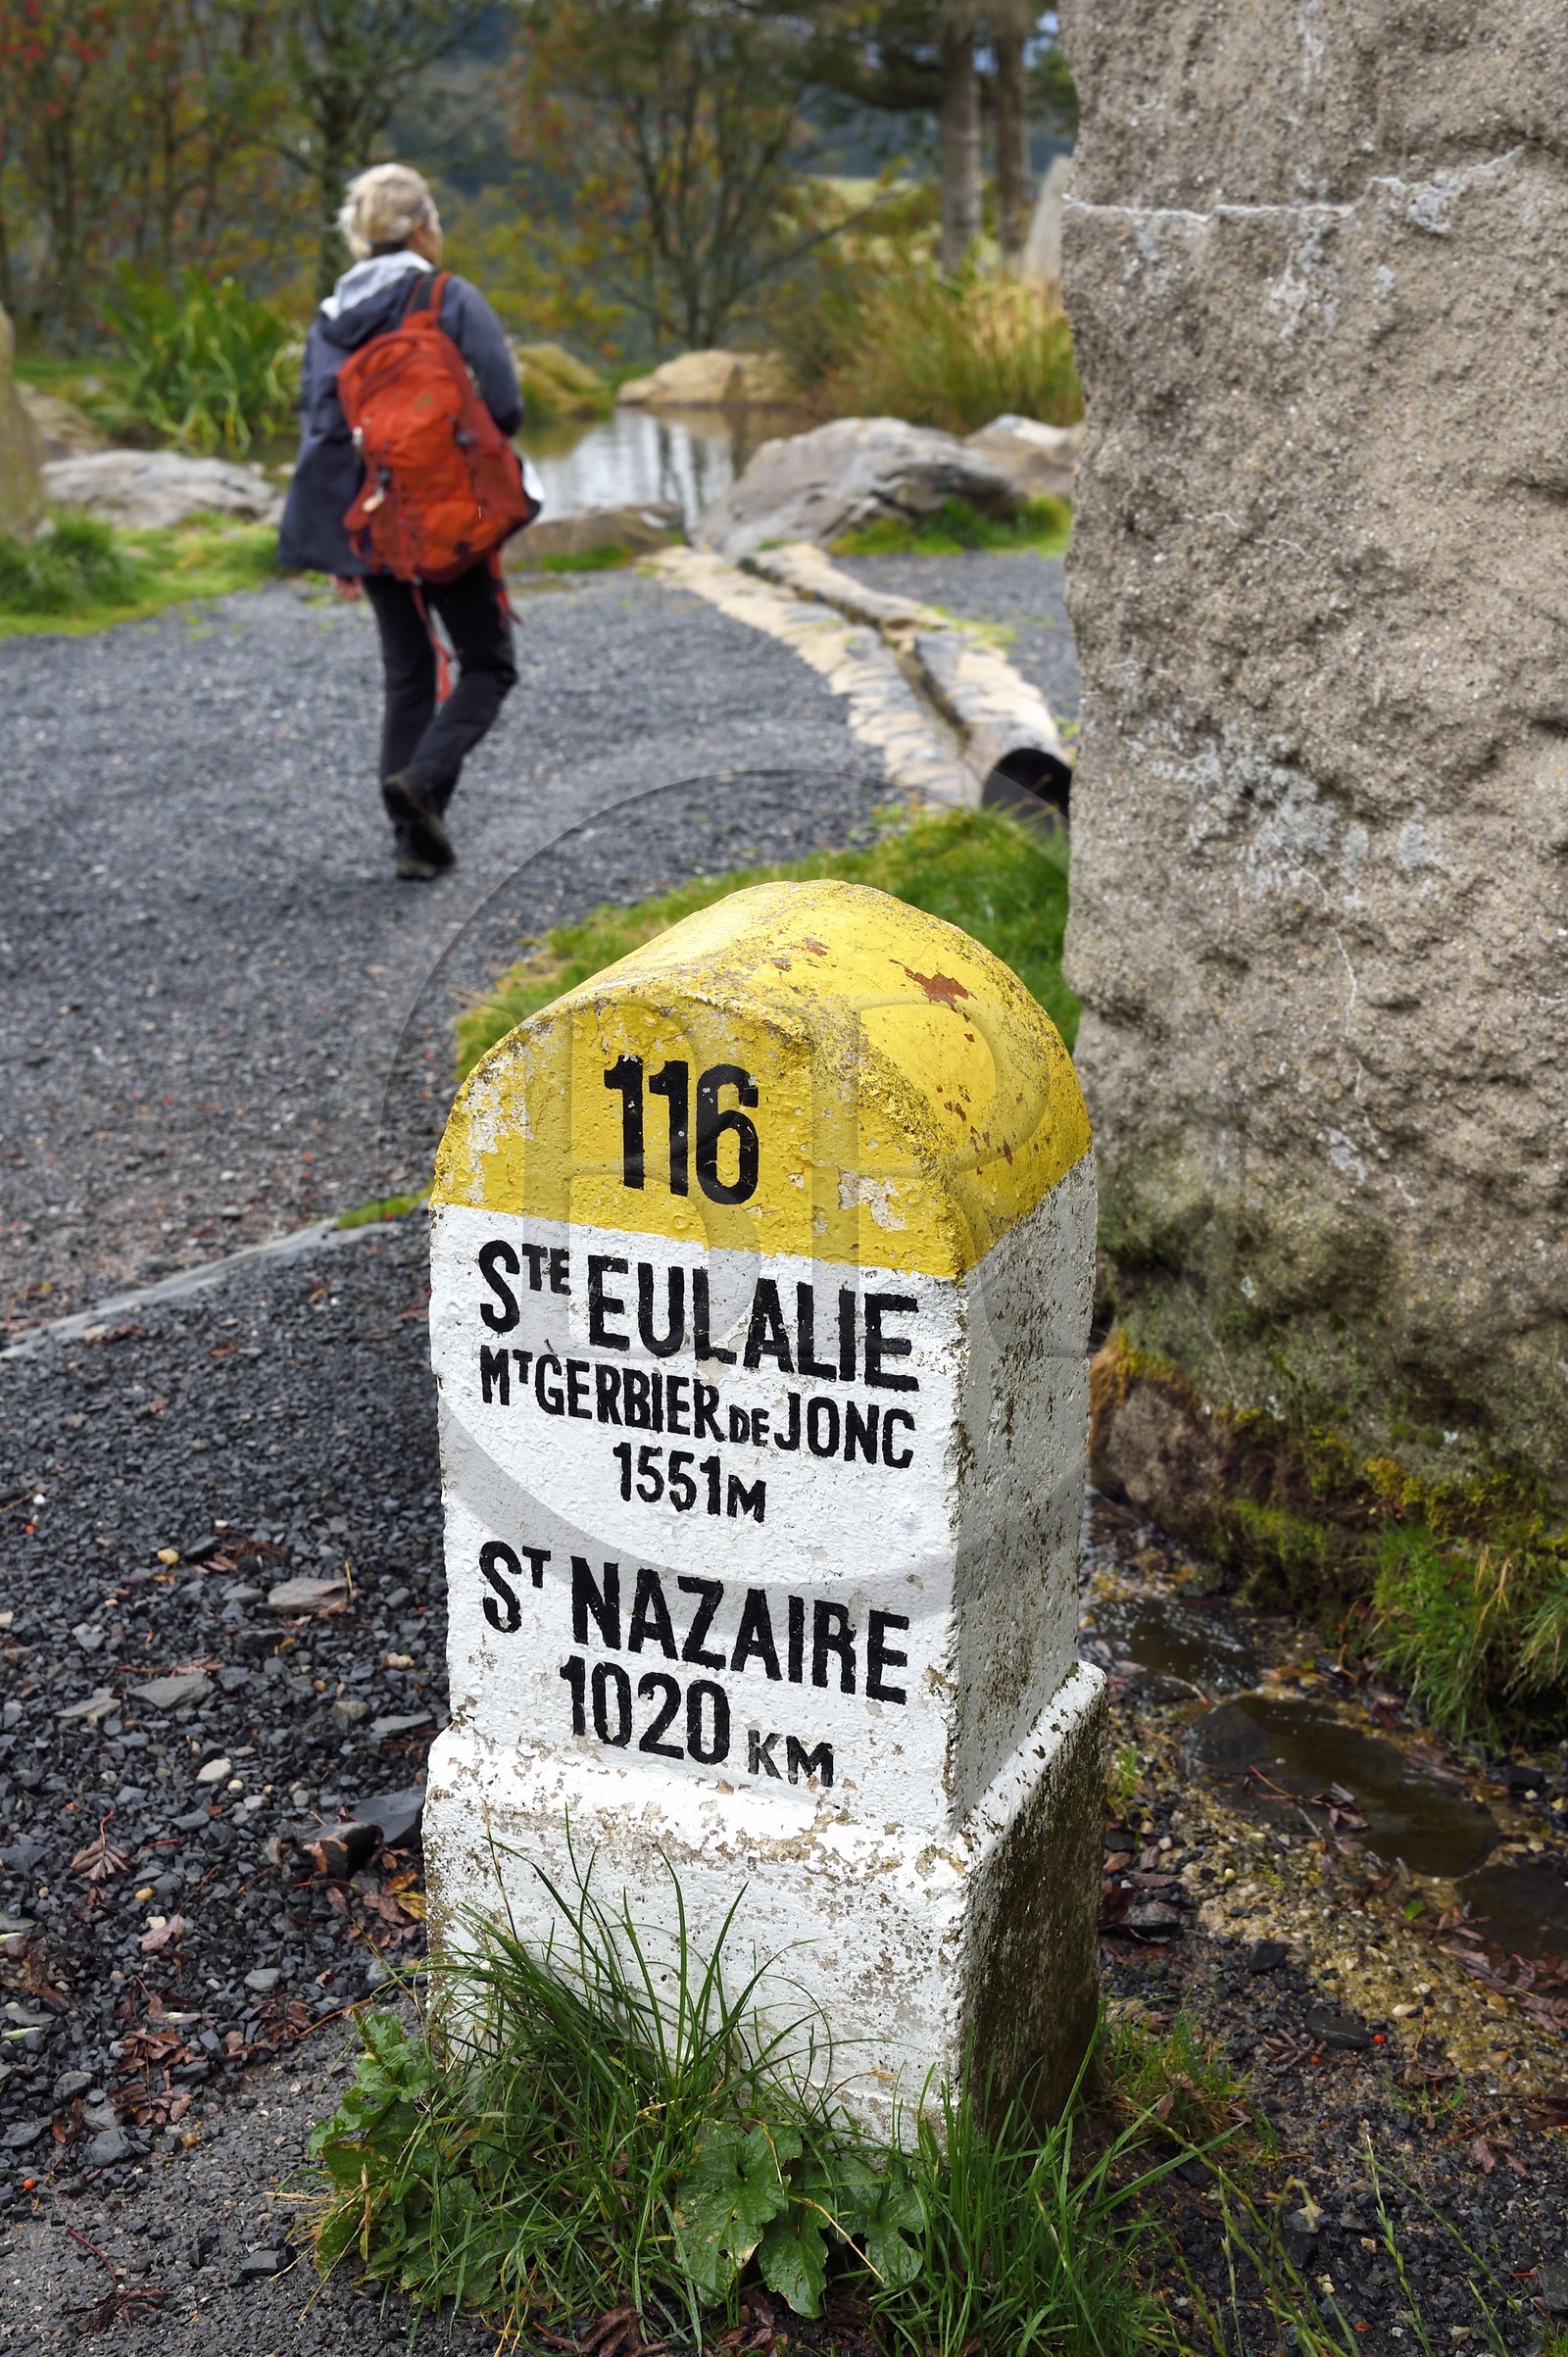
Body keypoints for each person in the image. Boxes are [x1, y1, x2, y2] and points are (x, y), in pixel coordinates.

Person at [279, 164, 523, 880]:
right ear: (420, 228)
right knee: (488, 663)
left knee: (409, 673)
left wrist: (340, 541)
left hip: (370, 522)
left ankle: (413, 844)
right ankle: (420, 784)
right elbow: (504, 401)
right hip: (445, 515)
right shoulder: (446, 296)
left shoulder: (332, 318)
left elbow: (322, 430)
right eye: (436, 220)